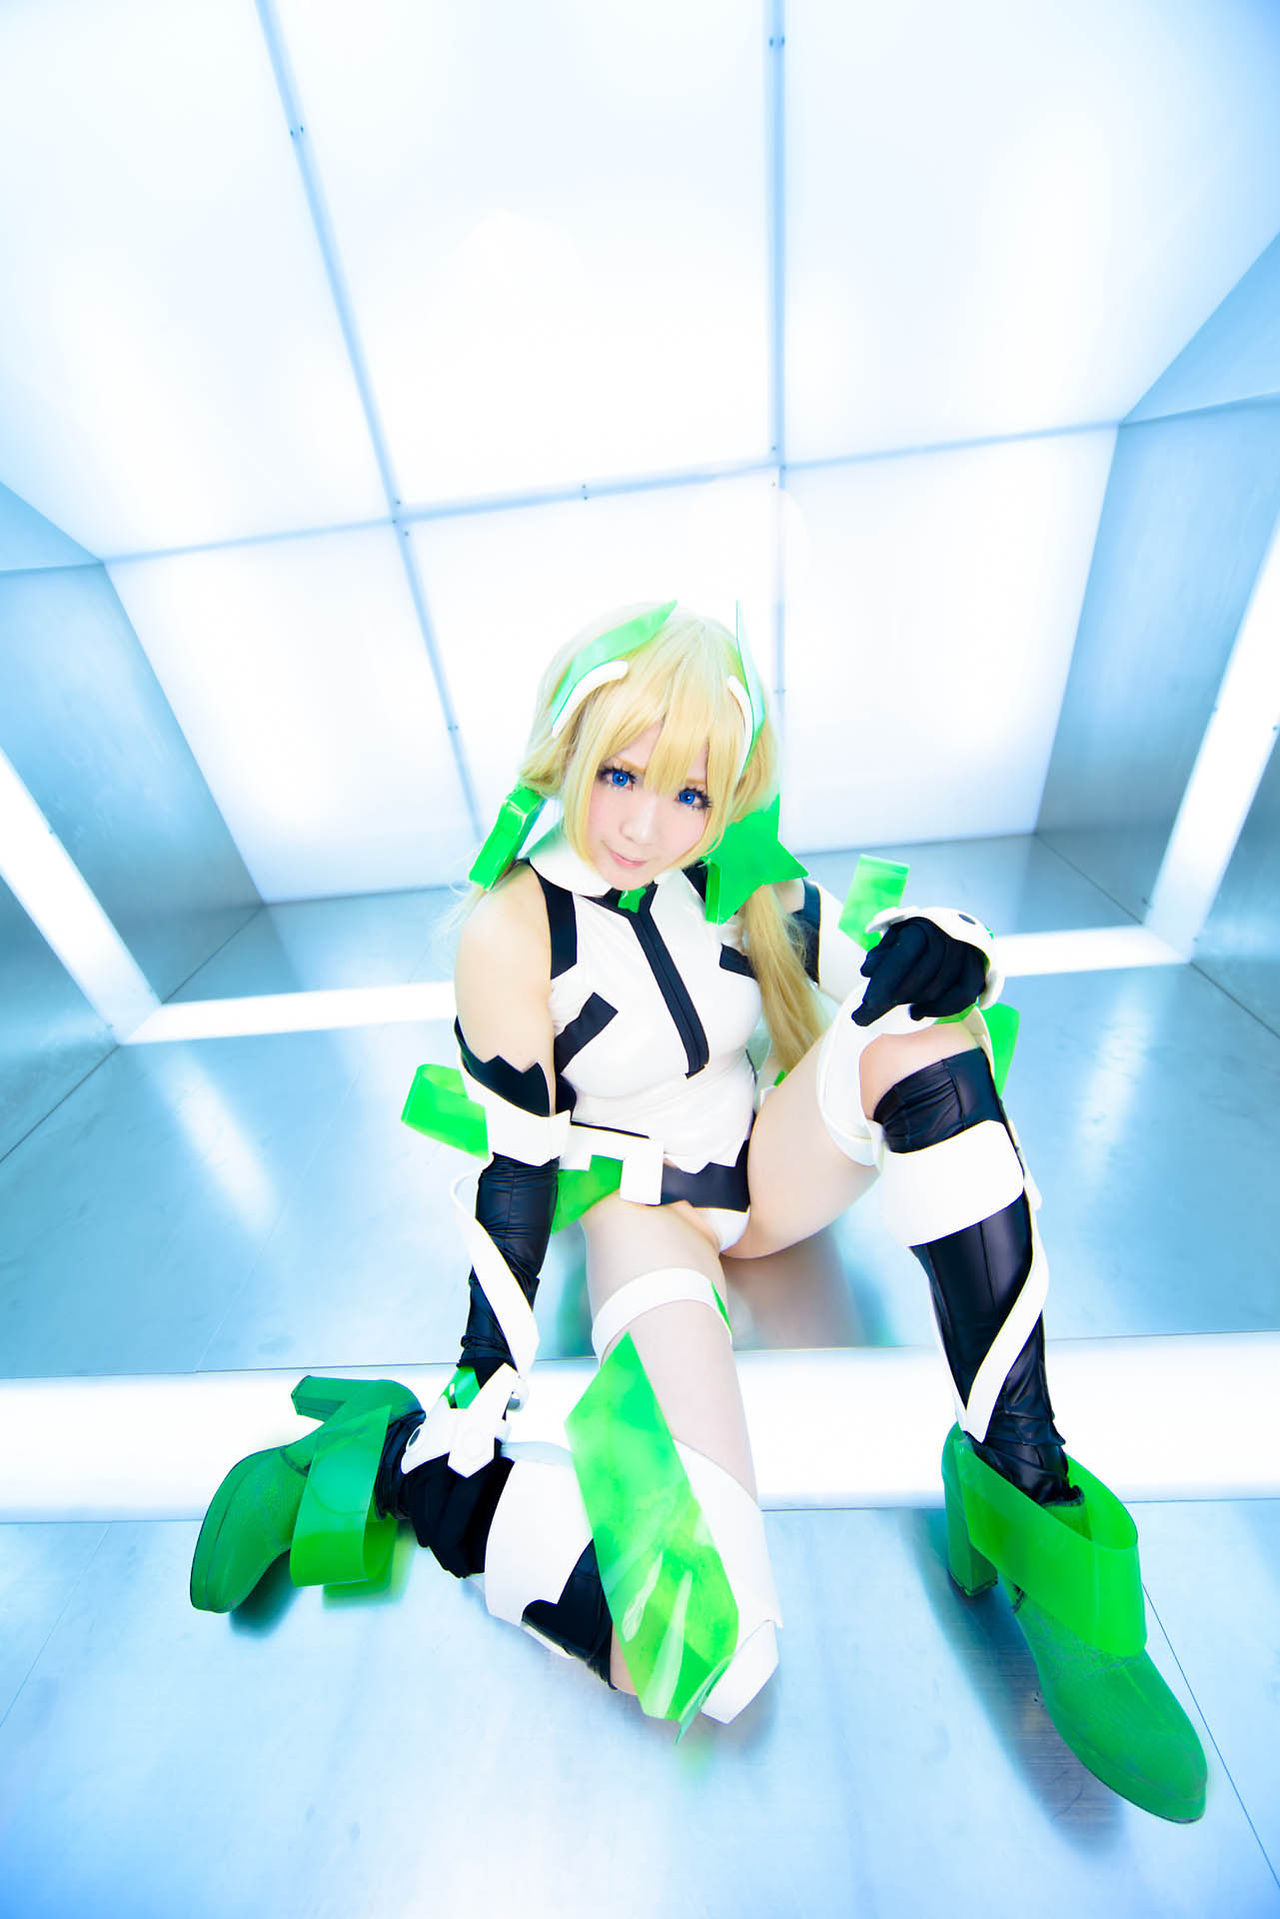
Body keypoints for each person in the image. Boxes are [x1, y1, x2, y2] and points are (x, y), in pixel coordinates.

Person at [190, 602, 1205, 1817]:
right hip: (644, 1216)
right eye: (620, 773)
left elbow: (883, 967)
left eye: (688, 793)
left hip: (769, 1178)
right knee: (702, 1653)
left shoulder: (737, 877)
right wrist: (477, 1380)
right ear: (568, 748)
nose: (643, 824)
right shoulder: (512, 927)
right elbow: (515, 1171)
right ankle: (402, 1468)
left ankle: (1020, 1477)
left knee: (933, 1034)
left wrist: (956, 944)